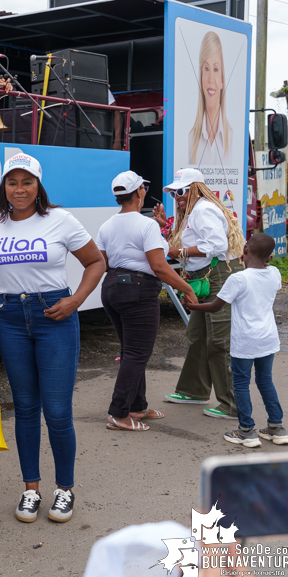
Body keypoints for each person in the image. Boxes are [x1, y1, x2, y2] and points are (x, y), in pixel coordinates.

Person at [0, 153, 104, 525]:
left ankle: (64, 490)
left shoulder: (59, 220)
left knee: (56, 411)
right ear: (4, 187)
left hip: (54, 315)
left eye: (27, 182)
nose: (19, 189)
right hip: (10, 319)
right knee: (24, 409)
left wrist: (76, 300)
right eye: (12, 182)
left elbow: (96, 262)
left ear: (38, 186)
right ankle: (31, 490)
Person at [97, 171, 198, 432]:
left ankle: (136, 406)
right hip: (138, 290)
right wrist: (187, 289)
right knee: (137, 352)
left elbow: (103, 262)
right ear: (139, 192)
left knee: (131, 350)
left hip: (111, 287)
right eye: (144, 187)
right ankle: (118, 413)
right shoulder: (146, 225)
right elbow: (160, 267)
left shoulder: (107, 225)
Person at [184, 232, 288, 448]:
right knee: (265, 380)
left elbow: (215, 307)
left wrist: (192, 306)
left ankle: (246, 431)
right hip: (268, 339)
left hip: (245, 340)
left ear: (245, 252)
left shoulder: (238, 278)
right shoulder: (275, 273)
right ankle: (277, 428)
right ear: (270, 258)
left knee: (240, 383)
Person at [161, 168, 245, 420]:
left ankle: (233, 405)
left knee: (219, 341)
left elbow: (215, 245)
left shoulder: (204, 209)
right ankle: (194, 391)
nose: (178, 196)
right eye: (174, 192)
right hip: (205, 278)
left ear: (196, 188)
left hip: (219, 275)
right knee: (198, 335)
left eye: (182, 191)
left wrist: (181, 253)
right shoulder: (192, 212)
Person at [188, 31, 233, 167]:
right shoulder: (190, 140)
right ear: (200, 77)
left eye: (215, 69)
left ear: (222, 80)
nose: (211, 79)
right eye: (206, 68)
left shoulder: (232, 138)